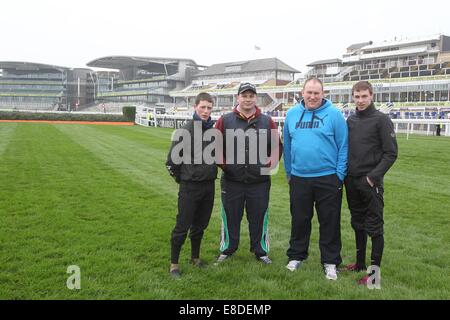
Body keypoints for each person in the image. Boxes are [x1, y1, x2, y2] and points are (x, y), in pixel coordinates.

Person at [284, 77, 348, 280]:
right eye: (309, 92)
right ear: (302, 93)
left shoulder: (334, 115)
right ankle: (296, 256)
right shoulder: (292, 114)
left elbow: (344, 146)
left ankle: (330, 261)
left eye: (316, 93)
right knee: (300, 220)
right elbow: (286, 145)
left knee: (329, 221)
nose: (312, 96)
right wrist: (289, 173)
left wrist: (339, 176)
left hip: (328, 178)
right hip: (299, 177)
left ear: (323, 94)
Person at [214, 82, 282, 265]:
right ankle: (228, 248)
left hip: (259, 183)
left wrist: (265, 168)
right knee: (230, 216)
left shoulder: (267, 121)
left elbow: (276, 148)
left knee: (259, 216)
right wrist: (227, 166)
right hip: (231, 181)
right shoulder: (225, 120)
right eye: (244, 95)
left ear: (255, 98)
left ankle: (260, 251)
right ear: (238, 98)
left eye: (251, 96)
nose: (248, 99)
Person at [344, 81, 398, 285]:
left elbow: (391, 153)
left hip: (370, 183)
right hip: (351, 181)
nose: (360, 100)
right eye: (356, 97)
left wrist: (372, 177)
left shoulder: (381, 120)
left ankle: (374, 276)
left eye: (364, 96)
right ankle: (359, 264)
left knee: (374, 227)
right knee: (357, 224)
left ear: (371, 96)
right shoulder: (350, 120)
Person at [165, 92, 217, 279]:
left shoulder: (213, 131)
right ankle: (174, 265)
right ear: (195, 107)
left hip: (209, 186)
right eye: (202, 107)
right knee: (182, 226)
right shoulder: (185, 131)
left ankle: (195, 258)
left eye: (209, 108)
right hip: (189, 187)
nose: (205, 111)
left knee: (200, 226)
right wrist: (185, 179)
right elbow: (171, 163)